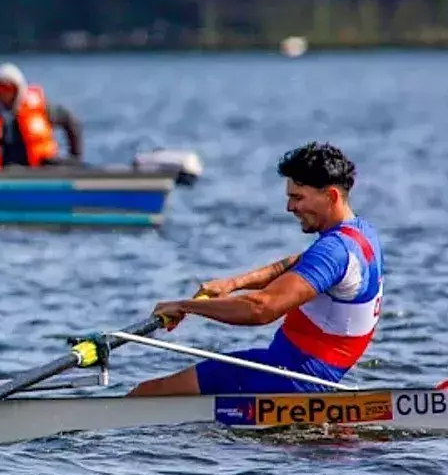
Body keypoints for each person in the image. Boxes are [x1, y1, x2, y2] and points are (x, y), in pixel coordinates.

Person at [130, 142, 382, 396]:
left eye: (297, 197)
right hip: (302, 373)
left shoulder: (333, 252)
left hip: (291, 378)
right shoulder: (359, 235)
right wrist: (232, 284)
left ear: (330, 197)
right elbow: (293, 265)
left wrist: (185, 306)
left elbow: (261, 309)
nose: (290, 207)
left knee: (149, 393)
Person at [0, 62, 82, 168]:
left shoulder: (41, 108)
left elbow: (71, 122)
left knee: (67, 165)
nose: (5, 94)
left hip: (39, 167)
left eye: (9, 89)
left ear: (18, 89)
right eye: (0, 89)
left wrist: (75, 155)